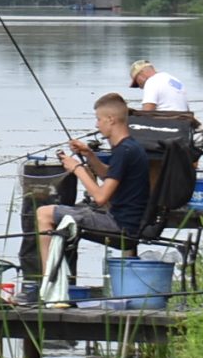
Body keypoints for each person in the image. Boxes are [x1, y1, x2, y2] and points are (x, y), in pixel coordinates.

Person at [24, 93, 150, 309]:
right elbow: (109, 176)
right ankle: (59, 283)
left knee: (43, 214)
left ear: (110, 119)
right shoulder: (131, 147)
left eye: (99, 119)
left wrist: (77, 168)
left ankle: (49, 286)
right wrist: (89, 155)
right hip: (126, 222)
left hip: (119, 227)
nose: (97, 124)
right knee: (65, 214)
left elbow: (101, 197)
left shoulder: (124, 152)